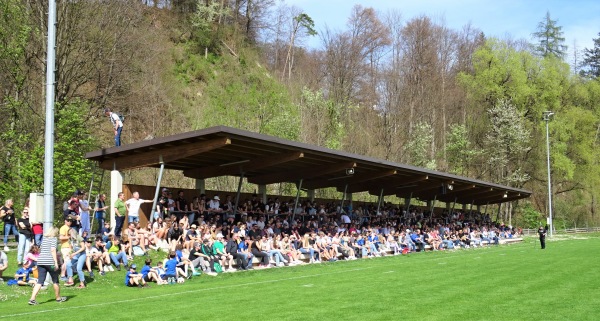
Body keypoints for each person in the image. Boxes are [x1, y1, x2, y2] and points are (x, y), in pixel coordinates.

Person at [29, 227, 67, 305]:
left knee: (40, 281)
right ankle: (58, 298)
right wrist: (56, 262)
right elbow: (53, 250)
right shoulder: (53, 239)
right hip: (50, 262)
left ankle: (32, 299)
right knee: (55, 280)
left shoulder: (44, 239)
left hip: (41, 262)